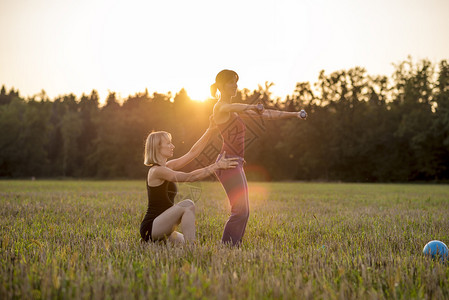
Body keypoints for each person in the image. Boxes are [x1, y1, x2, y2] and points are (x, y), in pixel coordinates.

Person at [211, 69, 307, 246]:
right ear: (222, 85)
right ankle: (226, 249)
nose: (235, 85)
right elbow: (232, 106)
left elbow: (268, 114)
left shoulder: (234, 111)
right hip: (227, 163)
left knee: (244, 211)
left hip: (236, 163)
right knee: (239, 211)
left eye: (236, 81)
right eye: (231, 82)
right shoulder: (220, 107)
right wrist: (251, 107)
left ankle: (233, 247)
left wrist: (292, 115)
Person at [140, 118, 238, 244]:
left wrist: (210, 130)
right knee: (188, 205)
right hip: (152, 227)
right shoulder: (156, 171)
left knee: (181, 243)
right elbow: (189, 177)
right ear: (157, 147)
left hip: (164, 224)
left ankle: (153, 243)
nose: (172, 146)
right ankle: (191, 251)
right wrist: (216, 166)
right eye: (168, 143)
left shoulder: (167, 166)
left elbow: (192, 153)